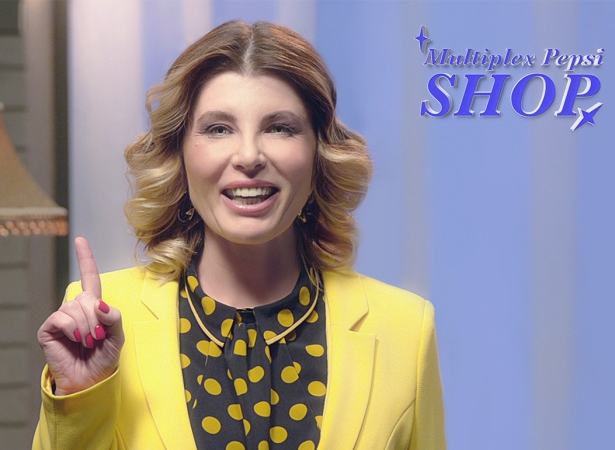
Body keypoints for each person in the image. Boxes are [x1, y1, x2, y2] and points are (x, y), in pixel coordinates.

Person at [34, 20, 446, 450]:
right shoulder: (99, 319)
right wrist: (81, 398)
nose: (249, 156)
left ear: (319, 154)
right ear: (180, 154)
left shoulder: (406, 329)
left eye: (280, 127)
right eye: (218, 128)